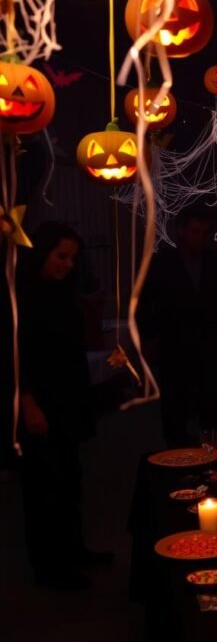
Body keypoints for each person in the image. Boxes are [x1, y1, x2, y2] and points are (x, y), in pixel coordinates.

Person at [17, 221, 112, 589]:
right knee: (44, 485)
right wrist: (27, 401)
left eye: (72, 258)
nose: (67, 264)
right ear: (42, 252)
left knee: (70, 478)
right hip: (39, 401)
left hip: (67, 398)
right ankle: (49, 566)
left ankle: (73, 550)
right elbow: (14, 354)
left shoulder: (61, 291)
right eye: (60, 256)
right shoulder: (22, 294)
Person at [138, 207, 217, 446]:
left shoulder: (216, 263)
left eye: (204, 233)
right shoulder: (162, 263)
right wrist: (149, 339)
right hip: (175, 346)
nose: (200, 238)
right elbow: (146, 302)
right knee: (175, 410)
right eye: (195, 232)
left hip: (209, 346)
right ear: (181, 232)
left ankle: (213, 460)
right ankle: (177, 459)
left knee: (211, 409)